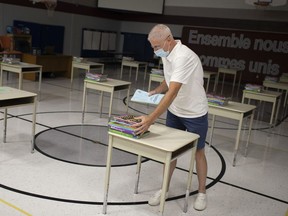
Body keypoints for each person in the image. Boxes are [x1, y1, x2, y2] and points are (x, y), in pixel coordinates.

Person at [133, 24, 208, 211]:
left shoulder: (184, 56)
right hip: (176, 111)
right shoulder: (167, 54)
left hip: (194, 112)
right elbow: (169, 79)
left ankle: (201, 193)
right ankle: (164, 189)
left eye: (156, 46)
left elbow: (173, 91)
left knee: (198, 152)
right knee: (170, 152)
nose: (154, 50)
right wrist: (156, 91)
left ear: (169, 39)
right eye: (152, 47)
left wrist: (150, 119)